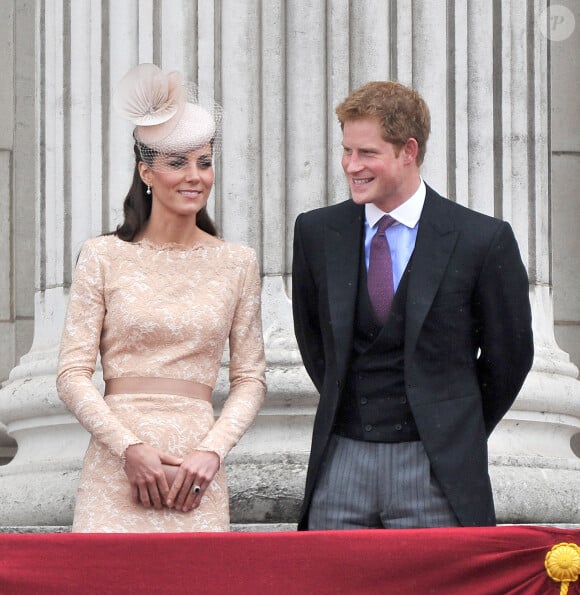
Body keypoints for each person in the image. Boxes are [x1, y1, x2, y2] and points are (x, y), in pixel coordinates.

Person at [292, 81, 534, 530]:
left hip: (436, 470)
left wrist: (452, 427)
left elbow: (510, 357)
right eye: (346, 151)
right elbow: (313, 342)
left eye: (366, 153)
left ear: (408, 150)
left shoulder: (482, 239)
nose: (351, 166)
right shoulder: (316, 232)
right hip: (341, 460)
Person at [57, 63, 266, 532]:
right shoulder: (102, 255)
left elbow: (250, 378)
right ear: (145, 171)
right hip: (116, 469)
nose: (195, 176)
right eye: (178, 163)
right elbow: (71, 375)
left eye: (205, 162)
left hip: (198, 476)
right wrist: (128, 447)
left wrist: (212, 451)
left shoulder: (238, 262)